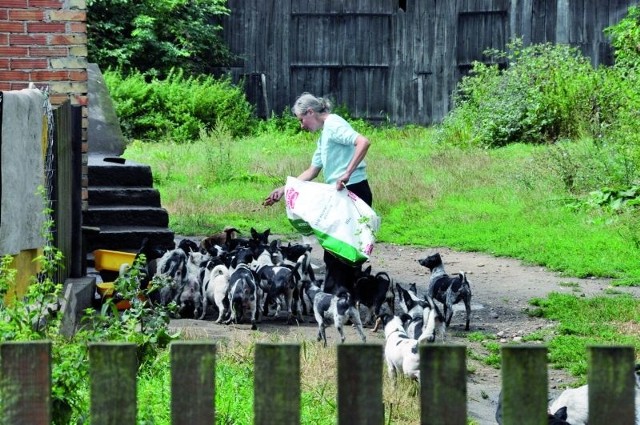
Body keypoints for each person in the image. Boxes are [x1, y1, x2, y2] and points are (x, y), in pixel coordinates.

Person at [263, 92, 373, 294]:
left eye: (301, 119)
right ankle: (339, 297)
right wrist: (283, 189)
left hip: (354, 191)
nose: (301, 125)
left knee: (342, 250)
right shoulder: (324, 137)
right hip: (340, 194)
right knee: (334, 249)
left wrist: (347, 173)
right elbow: (312, 171)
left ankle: (340, 298)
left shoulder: (333, 123)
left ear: (311, 112)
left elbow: (363, 142)